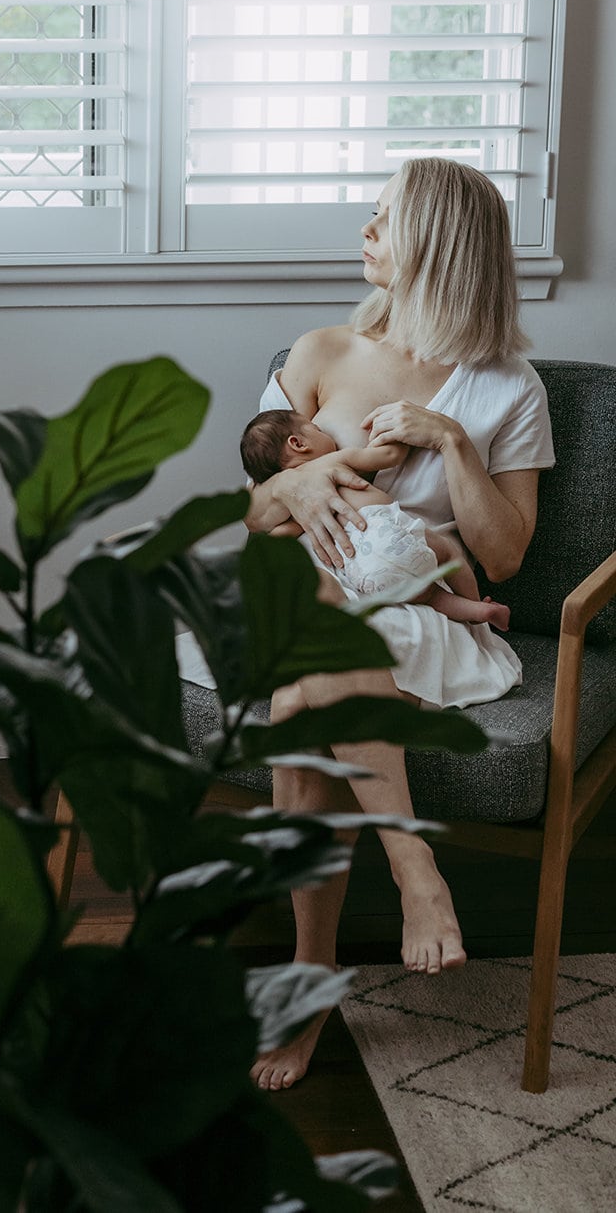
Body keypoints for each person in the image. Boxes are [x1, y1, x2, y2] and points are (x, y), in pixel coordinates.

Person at [237, 157, 554, 1090]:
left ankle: (311, 979)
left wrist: (451, 440)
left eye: (384, 220)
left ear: (439, 245)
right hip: (301, 596)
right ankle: (416, 869)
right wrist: (295, 482)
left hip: (420, 610)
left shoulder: (508, 390)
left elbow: (503, 559)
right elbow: (254, 514)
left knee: (309, 691)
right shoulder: (319, 353)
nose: (365, 234)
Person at [239, 407, 511, 630]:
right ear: (298, 443)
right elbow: (389, 456)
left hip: (364, 572)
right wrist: (394, 434)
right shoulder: (333, 461)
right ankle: (478, 611)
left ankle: (475, 611)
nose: (323, 432)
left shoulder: (299, 509)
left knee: (428, 596)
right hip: (386, 533)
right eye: (317, 430)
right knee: (450, 554)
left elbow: (281, 535)